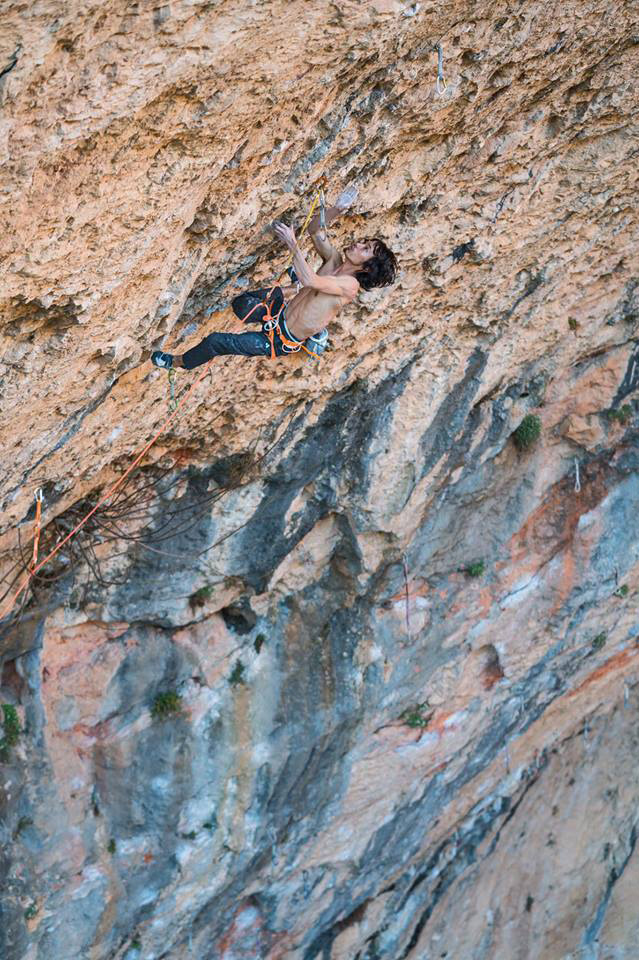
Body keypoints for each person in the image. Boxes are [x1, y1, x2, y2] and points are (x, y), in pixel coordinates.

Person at [150, 186, 398, 370]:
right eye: (364, 242)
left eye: (365, 249)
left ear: (367, 268)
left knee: (216, 341)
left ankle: (177, 362)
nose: (358, 243)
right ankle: (292, 288)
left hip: (278, 341)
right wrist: (336, 210)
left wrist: (292, 244)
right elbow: (315, 230)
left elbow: (312, 280)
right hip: (278, 313)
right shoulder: (333, 260)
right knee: (241, 305)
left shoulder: (349, 286)